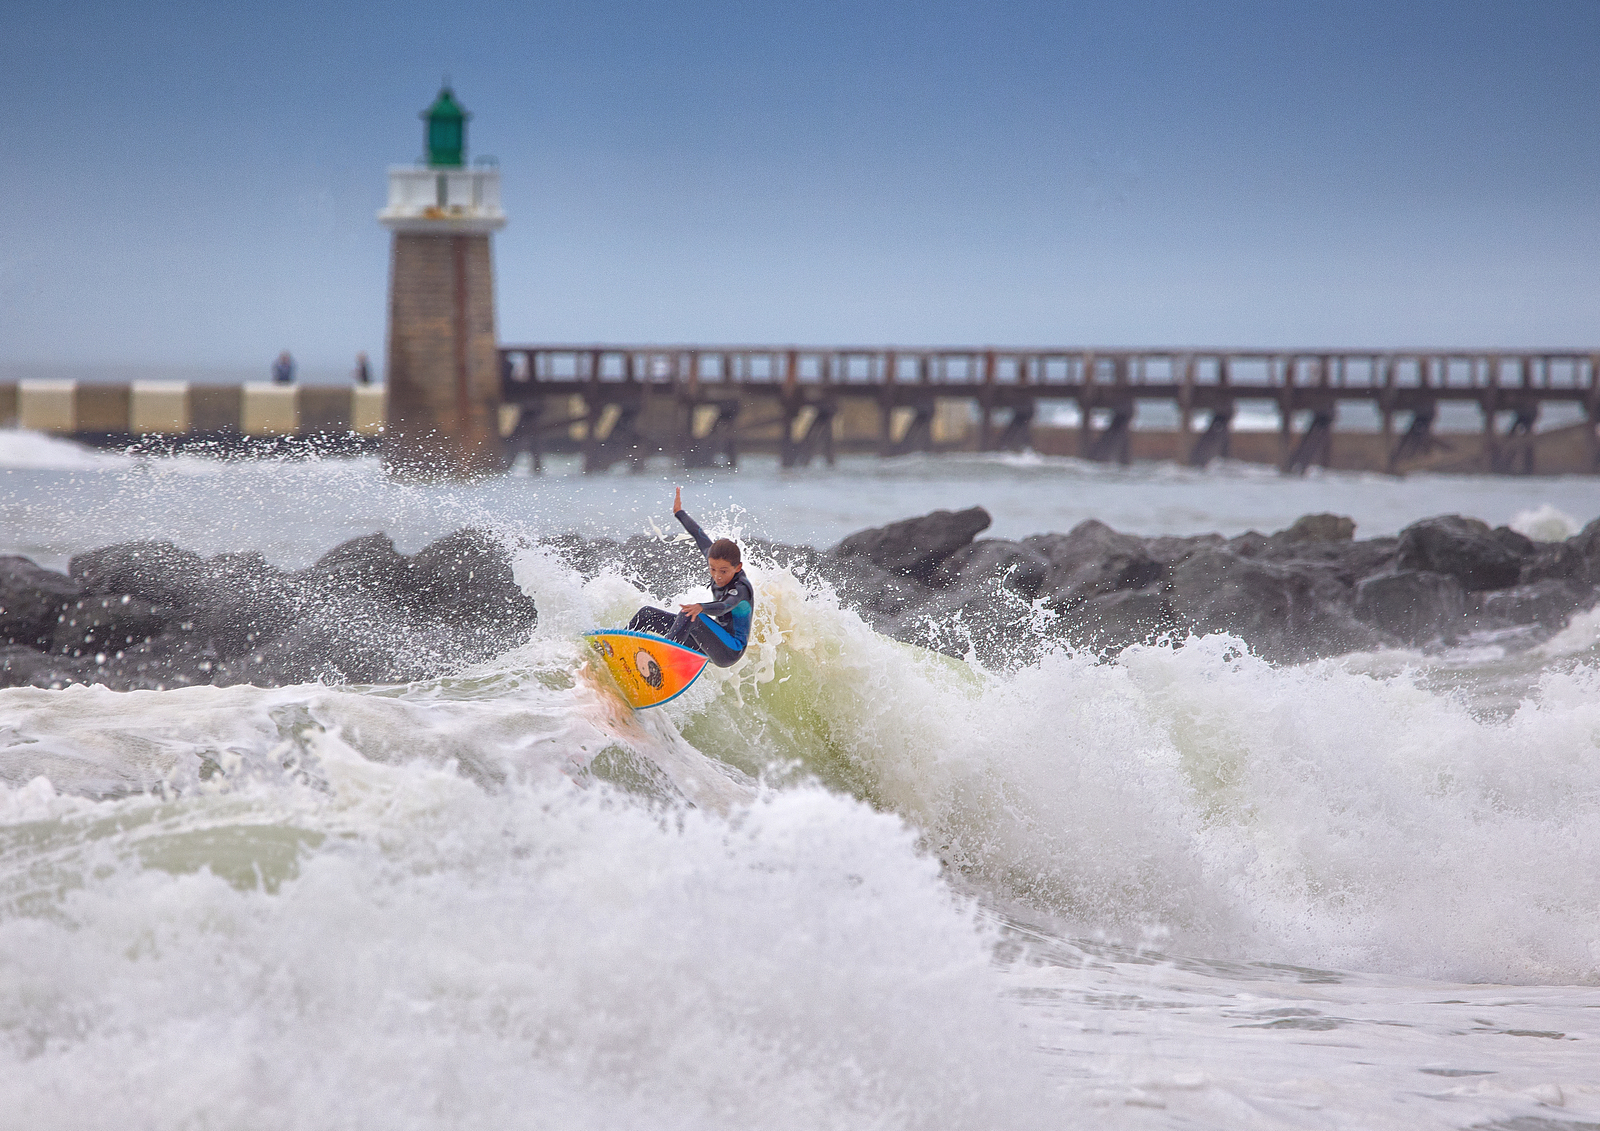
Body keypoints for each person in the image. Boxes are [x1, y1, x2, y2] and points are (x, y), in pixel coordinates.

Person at [627, 488, 753, 668]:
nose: (717, 576)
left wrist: (702, 607)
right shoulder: (716, 561)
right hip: (706, 640)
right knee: (648, 615)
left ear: (737, 567)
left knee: (692, 614)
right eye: (712, 569)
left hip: (729, 651)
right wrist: (679, 513)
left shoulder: (741, 588)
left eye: (723, 571)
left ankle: (661, 661)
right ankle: (622, 649)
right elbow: (698, 534)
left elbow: (724, 606)